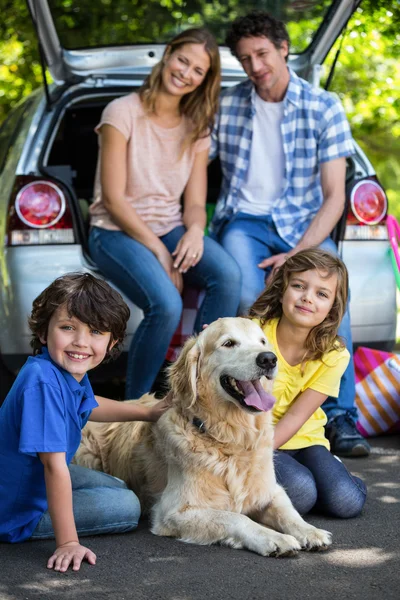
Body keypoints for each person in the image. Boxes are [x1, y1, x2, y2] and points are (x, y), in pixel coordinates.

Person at [209, 11, 370, 457]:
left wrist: (296, 256)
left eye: (262, 53)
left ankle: (340, 417)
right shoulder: (227, 103)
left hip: (306, 224)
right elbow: (187, 157)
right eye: (245, 59)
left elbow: (335, 197)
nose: (255, 66)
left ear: (283, 49)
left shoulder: (323, 107)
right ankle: (254, 410)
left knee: (333, 299)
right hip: (244, 221)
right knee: (247, 294)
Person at [88, 28, 241, 400]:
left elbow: (194, 202)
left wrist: (193, 231)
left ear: (205, 80)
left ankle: (201, 389)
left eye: (198, 70)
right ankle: (134, 409)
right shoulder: (121, 112)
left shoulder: (196, 127)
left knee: (228, 275)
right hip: (114, 230)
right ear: (168, 54)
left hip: (170, 226)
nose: (186, 73)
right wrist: (159, 250)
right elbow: (112, 198)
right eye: (182, 60)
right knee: (166, 304)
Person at [0, 273, 170, 572]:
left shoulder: (63, 371)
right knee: (127, 506)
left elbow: (89, 406)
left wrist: (147, 412)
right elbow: (54, 466)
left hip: (32, 478)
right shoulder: (43, 382)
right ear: (44, 332)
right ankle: (44, 526)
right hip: (15, 509)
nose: (81, 342)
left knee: (117, 485)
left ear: (112, 341)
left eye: (95, 332)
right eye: (68, 328)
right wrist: (67, 543)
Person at [249, 248, 367, 517]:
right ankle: (307, 484)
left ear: (332, 308)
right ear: (282, 290)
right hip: (254, 439)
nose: (307, 298)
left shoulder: (334, 354)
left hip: (304, 438)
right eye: (299, 286)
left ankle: (335, 475)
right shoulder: (253, 333)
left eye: (321, 294)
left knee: (346, 502)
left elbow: (296, 416)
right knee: (302, 493)